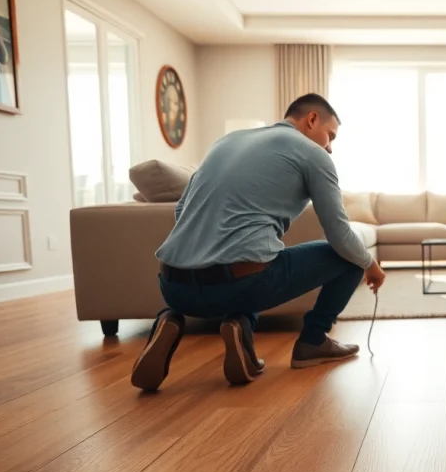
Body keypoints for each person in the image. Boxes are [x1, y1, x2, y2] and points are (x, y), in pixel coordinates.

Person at [130, 93, 385, 391]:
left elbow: (180, 211)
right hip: (241, 284)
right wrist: (370, 264)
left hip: (173, 285)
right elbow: (340, 234)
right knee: (349, 259)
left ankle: (172, 320)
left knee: (258, 260)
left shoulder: (225, 142)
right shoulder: (314, 156)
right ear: (311, 119)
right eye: (330, 136)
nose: (329, 148)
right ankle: (312, 342)